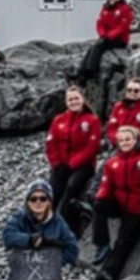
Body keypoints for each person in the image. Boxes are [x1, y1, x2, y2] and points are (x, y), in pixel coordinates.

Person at [93, 127, 140, 280]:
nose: (125, 143)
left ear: (136, 140)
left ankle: (110, 272)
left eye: (128, 139)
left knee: (124, 240)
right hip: (121, 204)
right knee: (99, 205)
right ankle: (102, 243)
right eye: (121, 140)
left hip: (138, 209)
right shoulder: (112, 163)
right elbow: (106, 186)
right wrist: (100, 199)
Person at [45, 86, 102, 236]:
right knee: (52, 191)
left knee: (71, 188)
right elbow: (51, 144)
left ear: (82, 99)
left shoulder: (92, 120)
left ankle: (67, 228)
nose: (74, 102)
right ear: (66, 102)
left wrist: (72, 164)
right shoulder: (59, 120)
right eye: (70, 99)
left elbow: (92, 147)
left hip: (84, 166)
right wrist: (56, 164)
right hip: (62, 165)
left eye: (76, 98)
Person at [73, 0, 133, 84]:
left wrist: (109, 36)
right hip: (107, 37)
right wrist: (103, 35)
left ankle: (90, 71)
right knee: (92, 48)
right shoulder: (106, 8)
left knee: (98, 47)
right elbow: (100, 23)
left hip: (120, 39)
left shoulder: (124, 9)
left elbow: (123, 27)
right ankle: (81, 73)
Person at [105, 77, 140, 151]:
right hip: (118, 149)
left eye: (136, 91)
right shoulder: (118, 107)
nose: (132, 93)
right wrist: (119, 142)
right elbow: (111, 128)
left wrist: (132, 144)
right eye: (129, 90)